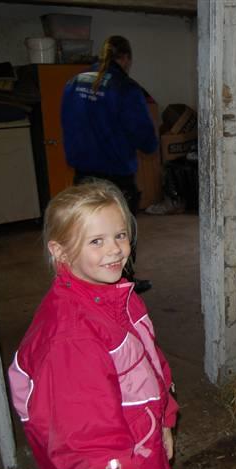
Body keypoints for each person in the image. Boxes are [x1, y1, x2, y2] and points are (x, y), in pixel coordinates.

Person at [7, 180, 178, 469]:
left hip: (142, 444)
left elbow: (151, 364)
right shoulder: (72, 338)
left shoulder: (121, 297)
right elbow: (85, 440)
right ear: (60, 252)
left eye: (120, 235)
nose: (114, 249)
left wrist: (164, 419)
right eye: (96, 241)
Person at [61, 35, 156, 294]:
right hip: (116, 177)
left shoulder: (73, 83)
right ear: (124, 58)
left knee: (87, 233)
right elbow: (146, 138)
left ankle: (86, 284)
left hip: (82, 175)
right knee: (118, 235)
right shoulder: (125, 88)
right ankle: (122, 286)